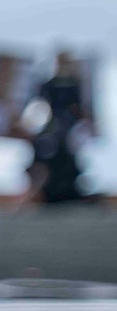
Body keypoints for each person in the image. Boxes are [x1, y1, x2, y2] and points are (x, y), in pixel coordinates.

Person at [23, 48, 96, 206]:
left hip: (70, 125)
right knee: (44, 151)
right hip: (53, 123)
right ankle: (46, 189)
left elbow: (80, 107)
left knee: (69, 153)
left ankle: (67, 188)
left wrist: (86, 123)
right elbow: (38, 103)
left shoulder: (75, 83)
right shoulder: (48, 84)